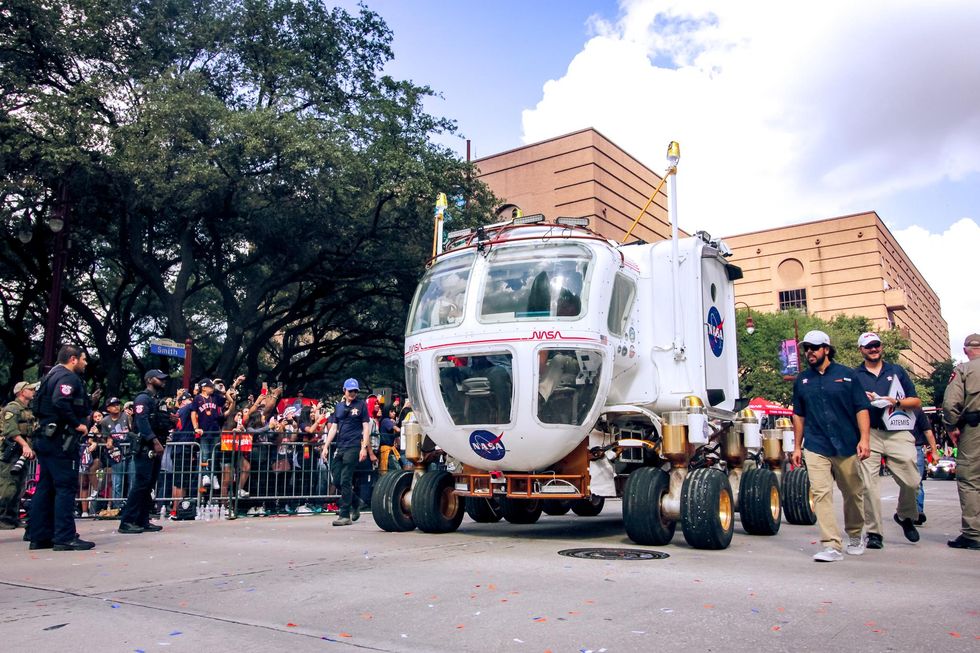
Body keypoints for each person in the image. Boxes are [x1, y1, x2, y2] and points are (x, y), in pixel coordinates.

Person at [791, 330, 871, 562]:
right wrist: (797, 447)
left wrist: (864, 439)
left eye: (814, 348)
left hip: (846, 443)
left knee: (853, 492)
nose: (810, 353)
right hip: (816, 444)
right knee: (820, 493)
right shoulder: (802, 380)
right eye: (806, 348)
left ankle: (855, 534)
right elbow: (799, 415)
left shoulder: (848, 375)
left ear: (826, 349)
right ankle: (831, 545)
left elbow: (861, 408)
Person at [852, 332, 922, 548]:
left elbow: (916, 401)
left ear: (881, 347)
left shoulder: (896, 371)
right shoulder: (855, 375)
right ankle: (874, 533)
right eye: (868, 346)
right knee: (869, 486)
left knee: (912, 480)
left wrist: (894, 402)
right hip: (869, 432)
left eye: (876, 345)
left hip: (897, 430)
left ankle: (905, 515)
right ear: (861, 350)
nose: (873, 349)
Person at [30, 345, 94, 551]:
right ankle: (64, 536)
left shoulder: (48, 376)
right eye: (83, 359)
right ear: (73, 359)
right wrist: (78, 424)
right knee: (66, 487)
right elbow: (60, 401)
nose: (85, 363)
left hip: (46, 437)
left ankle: (40, 535)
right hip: (60, 440)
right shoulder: (68, 377)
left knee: (45, 487)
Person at [118, 370, 169, 534]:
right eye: (159, 379)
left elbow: (156, 420)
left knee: (148, 485)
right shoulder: (142, 398)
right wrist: (154, 441)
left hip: (155, 446)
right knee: (141, 484)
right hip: (146, 447)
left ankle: (142, 519)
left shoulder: (155, 400)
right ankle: (127, 521)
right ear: (149, 380)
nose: (163, 381)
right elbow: (142, 422)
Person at [942, 333, 980, 549]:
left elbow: (950, 403)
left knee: (970, 479)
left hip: (974, 429)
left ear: (965, 350)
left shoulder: (964, 370)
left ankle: (973, 533)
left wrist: (952, 426)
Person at [321, 378, 375, 526]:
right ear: (344, 390)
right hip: (340, 446)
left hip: (353, 446)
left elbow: (366, 428)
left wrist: (364, 448)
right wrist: (326, 446)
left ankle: (345, 514)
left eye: (355, 391)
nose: (353, 393)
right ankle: (356, 501)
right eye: (350, 390)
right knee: (337, 479)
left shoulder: (361, 405)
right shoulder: (338, 407)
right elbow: (333, 428)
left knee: (345, 479)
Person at [0, 381, 37, 529]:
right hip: (12, 452)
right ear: (21, 392)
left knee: (19, 486)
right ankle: (3, 517)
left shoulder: (27, 410)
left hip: (23, 453)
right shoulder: (12, 409)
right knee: (7, 487)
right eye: (30, 389)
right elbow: (11, 431)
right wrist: (25, 445)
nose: (33, 391)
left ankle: (12, 517)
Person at [909, 407, 939, 524]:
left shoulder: (917, 411)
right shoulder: (897, 408)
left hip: (915, 447)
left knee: (916, 481)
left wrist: (934, 451)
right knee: (911, 481)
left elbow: (928, 431)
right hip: (905, 447)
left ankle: (917, 511)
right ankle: (912, 511)